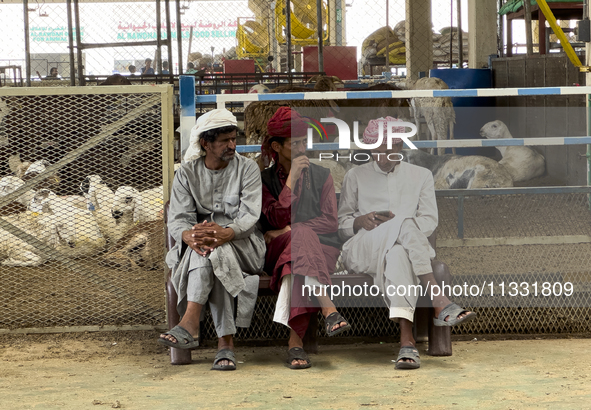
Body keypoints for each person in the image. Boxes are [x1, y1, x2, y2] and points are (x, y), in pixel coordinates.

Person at [337, 117, 476, 370]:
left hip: (406, 250)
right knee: (402, 225)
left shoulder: (420, 176)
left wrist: (398, 229)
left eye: (389, 148)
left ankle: (407, 342)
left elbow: (429, 221)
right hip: (363, 248)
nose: (383, 154)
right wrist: (361, 221)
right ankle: (439, 300)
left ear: (400, 146)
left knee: (399, 252)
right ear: (369, 148)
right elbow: (343, 226)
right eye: (377, 149)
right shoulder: (355, 175)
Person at [158, 109, 266, 371]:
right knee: (214, 256)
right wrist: (190, 236)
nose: (232, 145)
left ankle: (189, 322)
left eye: (233, 139)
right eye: (224, 140)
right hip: (202, 247)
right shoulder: (186, 174)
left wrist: (224, 233)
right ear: (205, 143)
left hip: (244, 246)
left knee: (216, 252)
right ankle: (225, 345)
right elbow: (179, 219)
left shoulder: (248, 169)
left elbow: (249, 216)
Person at [260, 107, 351, 369]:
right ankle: (328, 309)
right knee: (297, 246)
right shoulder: (264, 179)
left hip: (321, 249)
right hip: (278, 250)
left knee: (296, 259)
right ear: (277, 146)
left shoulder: (323, 175)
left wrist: (292, 230)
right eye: (296, 143)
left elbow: (330, 221)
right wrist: (292, 178)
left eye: (304, 141)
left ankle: (294, 344)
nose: (303, 147)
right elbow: (274, 220)